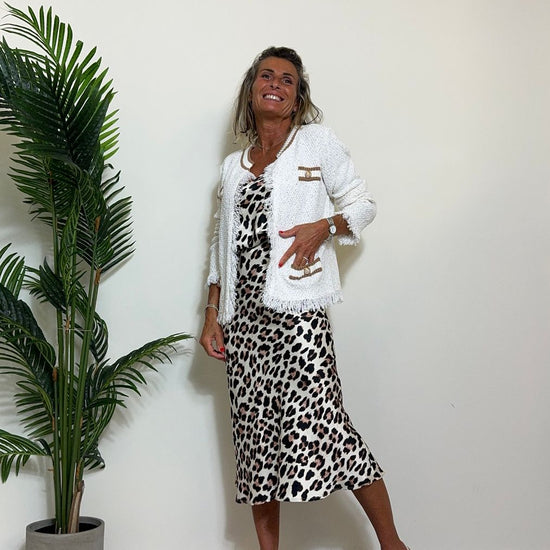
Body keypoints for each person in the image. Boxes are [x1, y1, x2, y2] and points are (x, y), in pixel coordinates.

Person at [200, 46, 408, 550]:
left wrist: (324, 226)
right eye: (266, 76)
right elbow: (219, 245)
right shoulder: (232, 167)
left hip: (298, 316)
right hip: (244, 324)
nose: (275, 83)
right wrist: (211, 313)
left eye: (287, 79)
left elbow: (363, 204)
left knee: (328, 426)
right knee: (255, 442)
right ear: (252, 89)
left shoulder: (316, 142)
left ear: (296, 98)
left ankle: (393, 545)